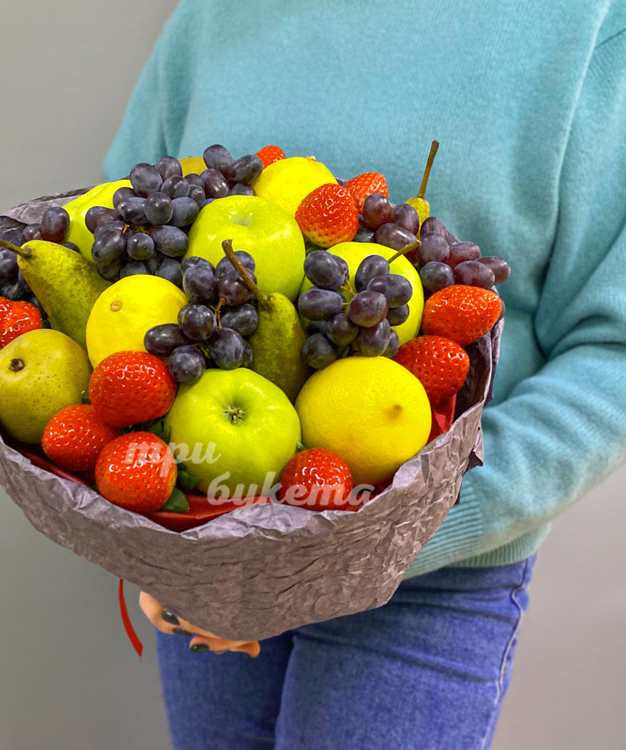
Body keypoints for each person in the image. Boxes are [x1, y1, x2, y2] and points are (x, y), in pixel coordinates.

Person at [103, 1, 626, 747]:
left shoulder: (591, 26)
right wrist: (156, 533)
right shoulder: (214, 13)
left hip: (428, 574)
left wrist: (397, 529)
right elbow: (121, 238)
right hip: (215, 538)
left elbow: (615, 350)